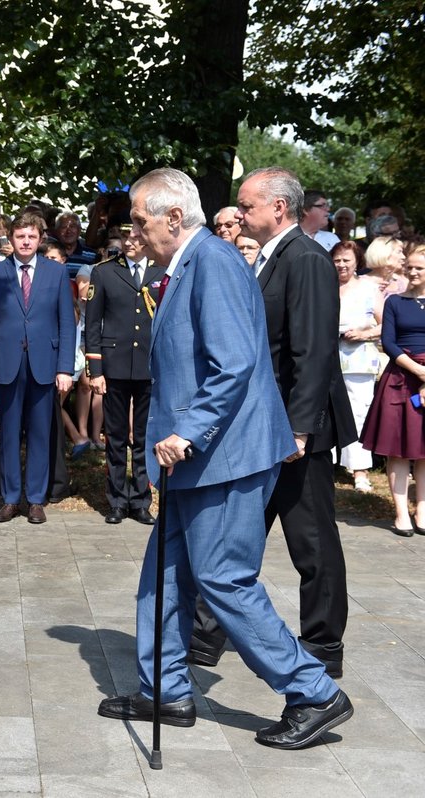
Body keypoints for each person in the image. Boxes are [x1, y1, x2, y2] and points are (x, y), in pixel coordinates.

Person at [97, 167, 352, 751]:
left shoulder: (210, 261)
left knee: (222, 578)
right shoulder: (186, 264)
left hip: (225, 454)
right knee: (163, 573)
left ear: (173, 217)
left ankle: (313, 690)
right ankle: (165, 687)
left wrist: (187, 431)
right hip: (198, 458)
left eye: (140, 220)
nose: (134, 232)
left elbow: (234, 362)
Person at [193, 166, 357, 677]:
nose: (240, 214)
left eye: (247, 205)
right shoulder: (270, 257)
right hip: (265, 426)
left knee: (311, 541)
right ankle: (205, 635)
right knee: (239, 533)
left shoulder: (305, 258)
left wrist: (300, 429)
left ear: (278, 208)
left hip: (294, 431)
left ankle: (323, 646)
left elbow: (311, 352)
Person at [0, 212, 76, 524]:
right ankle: (9, 498)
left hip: (44, 364)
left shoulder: (56, 273)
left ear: (41, 238)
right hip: (5, 363)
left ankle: (35, 499)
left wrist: (65, 369)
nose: (26, 242)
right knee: (7, 434)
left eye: (32, 236)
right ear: (11, 239)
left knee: (40, 433)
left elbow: (66, 323)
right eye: (20, 236)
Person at [85, 231, 163, 525]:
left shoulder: (162, 269)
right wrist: (96, 370)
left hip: (150, 366)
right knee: (116, 436)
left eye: (138, 238)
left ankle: (141, 500)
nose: (130, 243)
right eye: (127, 238)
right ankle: (117, 500)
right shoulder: (104, 272)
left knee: (144, 437)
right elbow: (92, 324)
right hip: (115, 365)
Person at [360, 243, 425, 535]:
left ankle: (423, 512)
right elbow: (389, 342)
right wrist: (420, 371)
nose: (412, 272)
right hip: (400, 377)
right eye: (409, 266)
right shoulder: (395, 302)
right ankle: (401, 515)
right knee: (398, 451)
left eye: (419, 268)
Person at [333, 241, 382, 493]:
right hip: (328, 358)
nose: (341, 265)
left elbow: (386, 325)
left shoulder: (369, 288)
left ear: (357, 262)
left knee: (358, 414)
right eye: (337, 260)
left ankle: (360, 470)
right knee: (325, 411)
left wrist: (364, 334)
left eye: (346, 260)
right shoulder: (325, 285)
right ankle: (329, 465)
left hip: (359, 359)